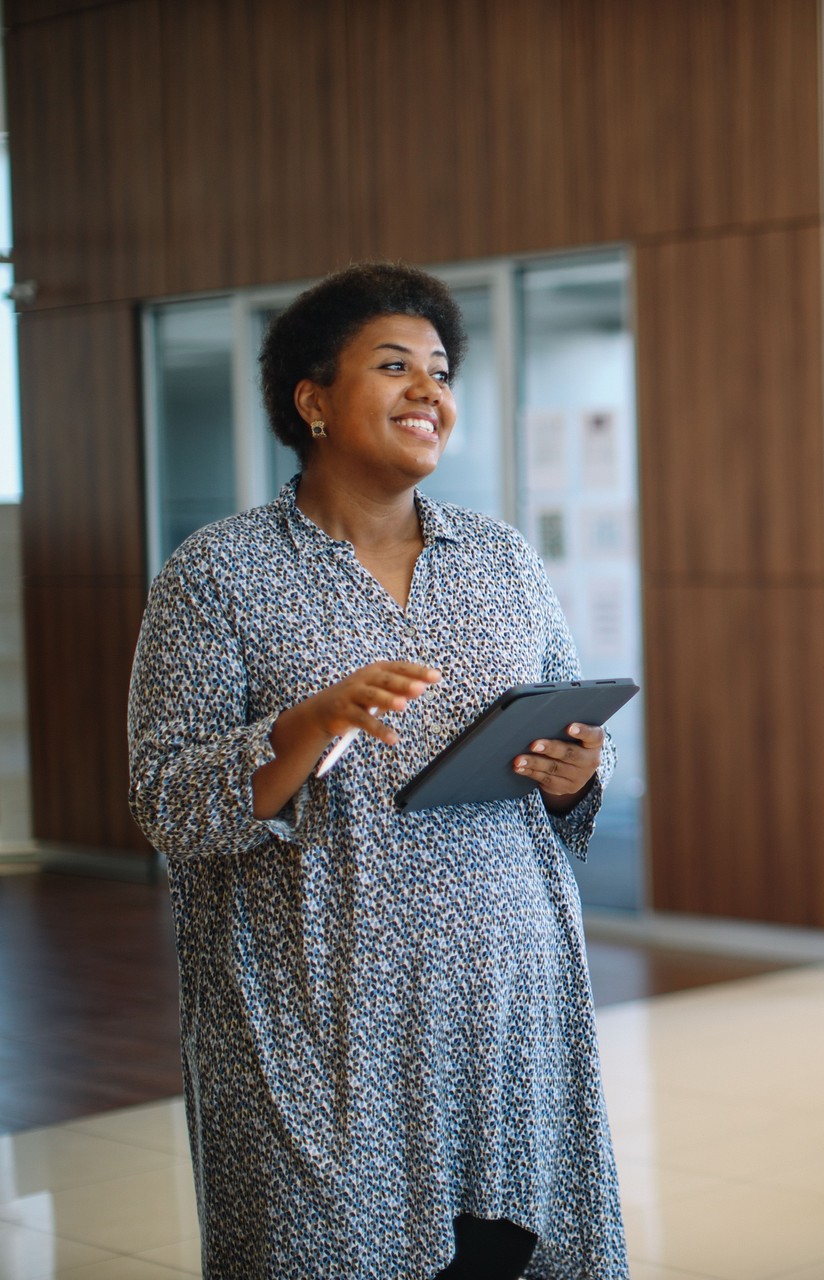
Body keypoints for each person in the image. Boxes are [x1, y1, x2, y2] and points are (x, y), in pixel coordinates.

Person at [128, 263, 629, 1279]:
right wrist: (307, 723)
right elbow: (171, 803)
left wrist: (575, 772)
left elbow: (561, 774)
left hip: (507, 1009)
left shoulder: (501, 559)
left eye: (440, 371)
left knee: (505, 1253)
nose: (428, 391)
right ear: (311, 400)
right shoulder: (217, 574)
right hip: (321, 1022)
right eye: (393, 365)